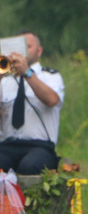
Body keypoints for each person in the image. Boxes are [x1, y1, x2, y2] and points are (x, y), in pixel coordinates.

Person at [0, 31, 64, 174]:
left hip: (39, 146)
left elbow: (51, 100)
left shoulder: (50, 76)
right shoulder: (5, 81)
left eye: (27, 47)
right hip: (9, 144)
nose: (21, 53)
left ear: (39, 51)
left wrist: (27, 73)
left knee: (29, 166)